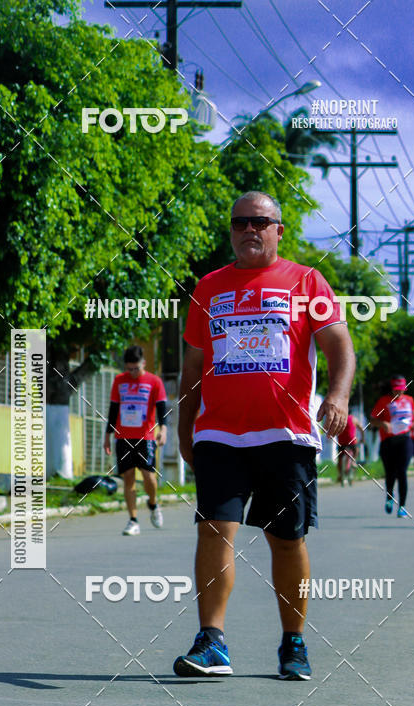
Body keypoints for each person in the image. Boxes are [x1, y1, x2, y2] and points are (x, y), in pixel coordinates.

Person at [174, 190, 355, 680]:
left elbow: (340, 346)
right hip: (220, 434)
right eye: (239, 223)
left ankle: (293, 643)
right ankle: (212, 642)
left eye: (260, 221)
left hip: (286, 434)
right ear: (230, 231)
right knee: (213, 529)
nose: (249, 229)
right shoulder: (208, 288)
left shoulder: (306, 281)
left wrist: (335, 399)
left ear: (279, 230)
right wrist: (184, 423)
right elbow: (193, 367)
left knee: (286, 540)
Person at [103, 346, 168, 535]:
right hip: (123, 436)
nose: (132, 373)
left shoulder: (154, 382)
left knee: (149, 476)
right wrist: (107, 436)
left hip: (145, 436)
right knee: (128, 477)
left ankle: (153, 504)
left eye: (136, 369)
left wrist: (163, 429)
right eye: (129, 369)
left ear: (143, 364)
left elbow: (162, 408)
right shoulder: (119, 381)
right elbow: (113, 410)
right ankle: (133, 520)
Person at [370, 376, 414, 518]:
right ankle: (389, 497)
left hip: (404, 439)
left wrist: (409, 424)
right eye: (397, 390)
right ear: (392, 388)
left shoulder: (409, 400)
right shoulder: (383, 401)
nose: (399, 393)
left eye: (402, 390)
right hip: (388, 440)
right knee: (390, 473)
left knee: (402, 472)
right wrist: (382, 424)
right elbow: (372, 419)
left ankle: (402, 507)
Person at [336, 413, 364, 485]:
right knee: (356, 450)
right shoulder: (354, 419)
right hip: (351, 441)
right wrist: (362, 438)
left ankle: (340, 474)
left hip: (341, 442)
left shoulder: (339, 419)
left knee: (340, 458)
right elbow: (361, 429)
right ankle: (354, 461)